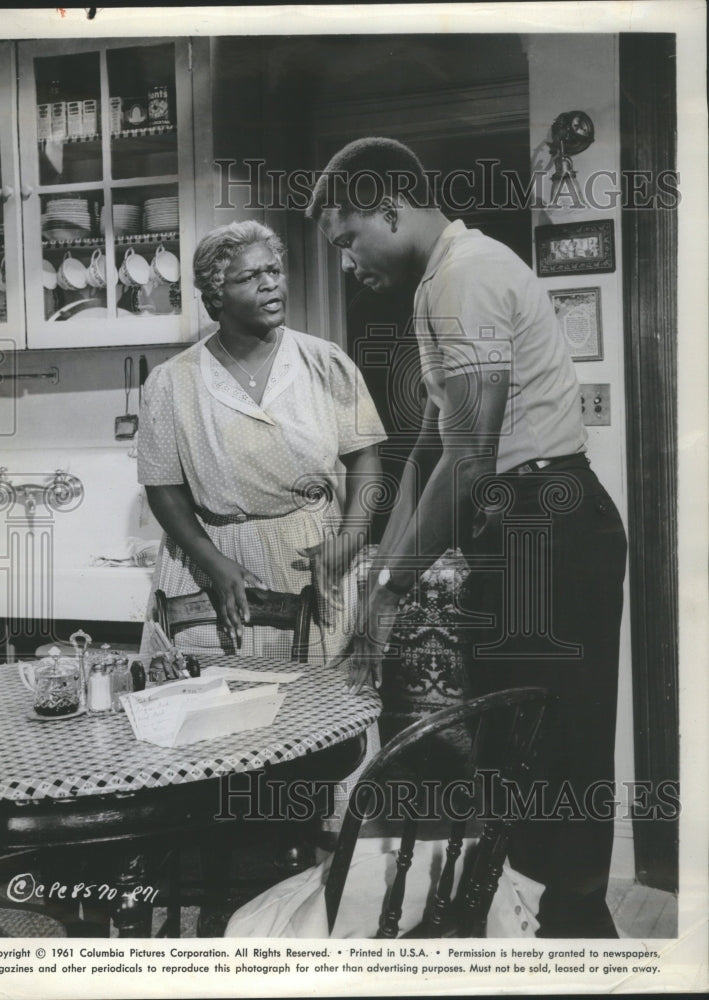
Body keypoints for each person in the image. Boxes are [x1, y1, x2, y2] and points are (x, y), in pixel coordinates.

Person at [307, 137, 627, 938]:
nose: (345, 262)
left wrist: (388, 591)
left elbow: (473, 451)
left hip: (543, 521)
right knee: (509, 744)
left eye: (347, 239)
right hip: (520, 522)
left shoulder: (465, 277)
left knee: (551, 744)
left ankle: (572, 930)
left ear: (390, 208)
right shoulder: (435, 285)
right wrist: (383, 559)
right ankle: (516, 919)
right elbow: (435, 437)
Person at [137, 219, 387, 667]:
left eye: (274, 271)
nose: (271, 283)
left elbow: (366, 456)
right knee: (214, 715)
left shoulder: (324, 362)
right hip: (211, 564)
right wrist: (214, 563)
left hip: (310, 560)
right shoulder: (172, 382)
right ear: (216, 296)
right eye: (251, 277)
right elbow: (162, 489)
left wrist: (348, 541)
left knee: (318, 713)